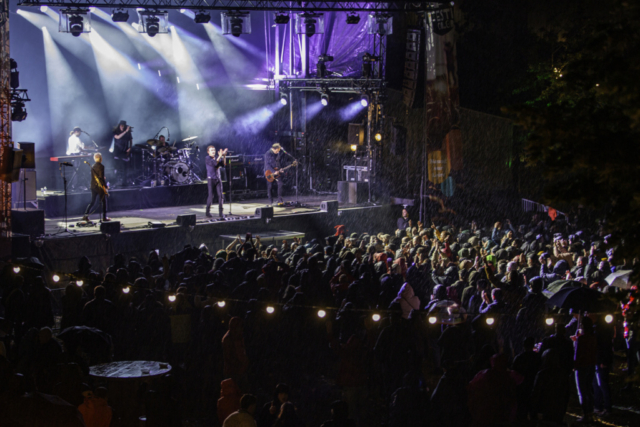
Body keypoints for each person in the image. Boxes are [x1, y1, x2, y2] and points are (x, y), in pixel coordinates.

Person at [82, 153, 109, 222]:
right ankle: (104, 217)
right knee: (104, 201)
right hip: (99, 186)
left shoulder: (93, 166)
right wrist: (105, 186)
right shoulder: (101, 166)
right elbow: (101, 178)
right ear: (101, 159)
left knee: (92, 202)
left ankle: (86, 215)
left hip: (93, 186)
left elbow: (95, 177)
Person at [205, 145, 227, 218]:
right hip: (211, 179)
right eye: (212, 150)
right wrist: (220, 156)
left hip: (218, 179)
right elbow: (215, 164)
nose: (213, 151)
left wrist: (224, 156)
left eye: (214, 150)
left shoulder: (217, 157)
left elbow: (223, 165)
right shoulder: (207, 158)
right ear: (208, 152)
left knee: (220, 196)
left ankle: (221, 213)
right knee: (211, 196)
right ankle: (207, 211)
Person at [112, 120, 133, 187]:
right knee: (118, 167)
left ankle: (124, 182)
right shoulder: (116, 131)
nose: (122, 127)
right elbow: (118, 137)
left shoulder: (128, 132)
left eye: (123, 126)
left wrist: (130, 148)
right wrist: (125, 131)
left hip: (124, 152)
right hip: (118, 152)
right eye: (121, 126)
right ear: (119, 125)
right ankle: (117, 182)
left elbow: (131, 140)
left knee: (124, 168)